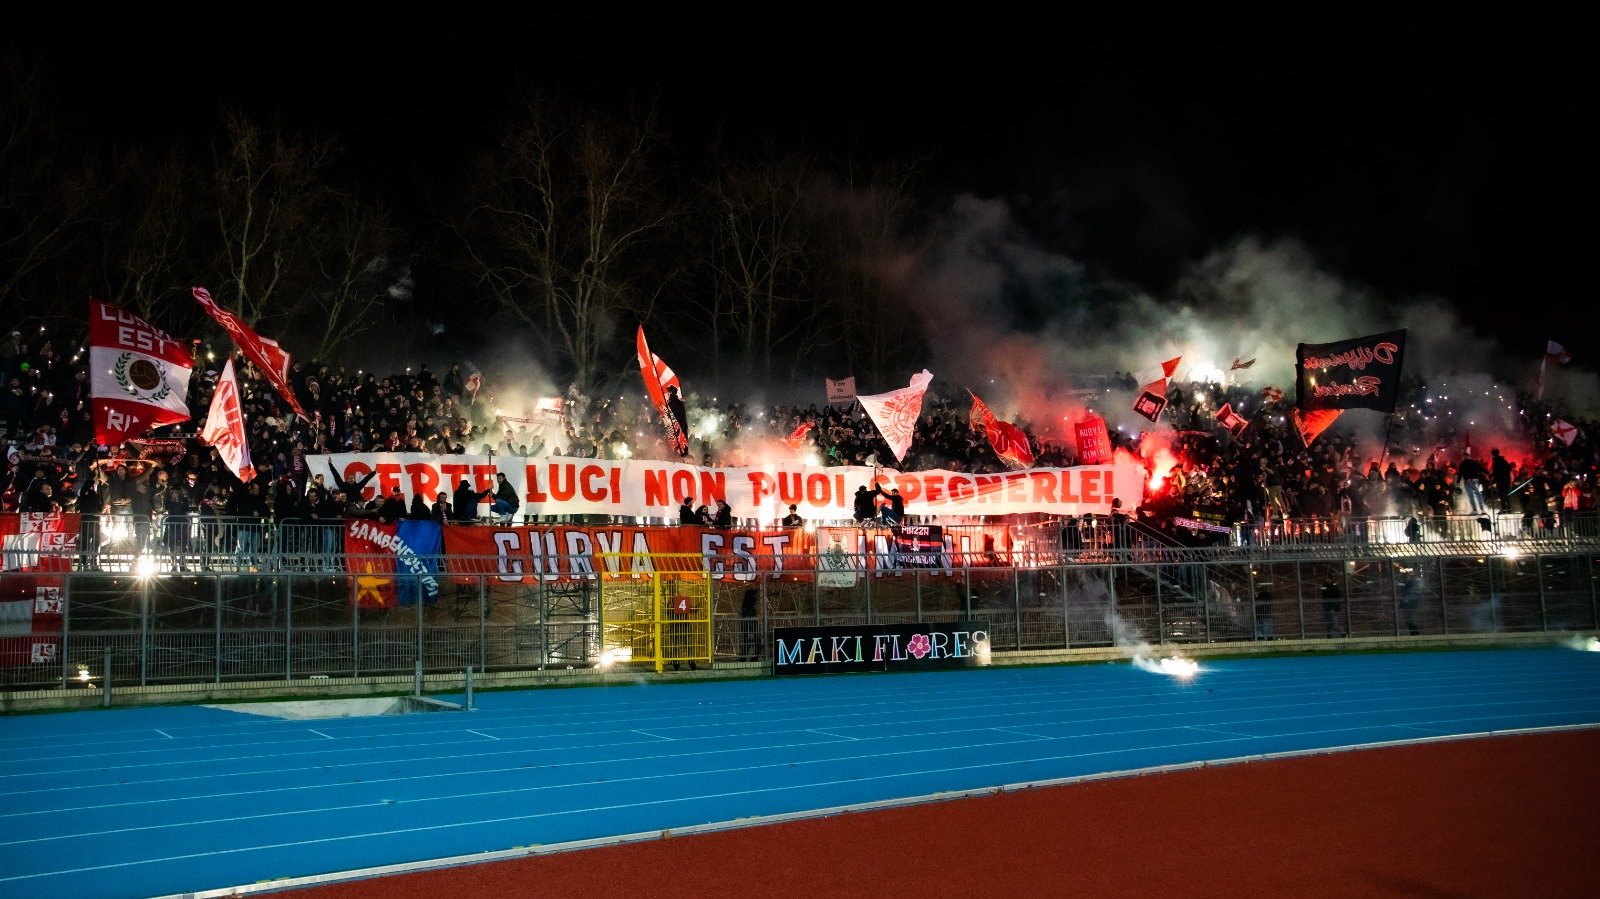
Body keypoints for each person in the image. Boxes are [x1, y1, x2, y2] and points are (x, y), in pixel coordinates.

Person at [1399, 568, 1422, 636]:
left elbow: (1408, 592)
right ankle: (1413, 632)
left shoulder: (1411, 583)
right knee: (1408, 618)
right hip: (1410, 603)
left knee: (1408, 618)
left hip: (1409, 603)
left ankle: (1414, 632)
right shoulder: (1411, 583)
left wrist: (1405, 599)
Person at [739, 587, 760, 661]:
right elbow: (750, 619)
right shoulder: (750, 608)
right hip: (751, 629)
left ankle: (743, 658)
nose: (755, 598)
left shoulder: (745, 606)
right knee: (756, 643)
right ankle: (750, 658)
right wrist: (751, 631)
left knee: (747, 643)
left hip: (748, 628)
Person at [1490, 448, 1513, 512]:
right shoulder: (1504, 460)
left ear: (1493, 454)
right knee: (1506, 495)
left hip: (1500, 480)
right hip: (1506, 480)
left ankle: (1503, 509)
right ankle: (1509, 509)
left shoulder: (1496, 460)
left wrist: (1491, 476)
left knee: (1501, 495)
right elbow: (1509, 468)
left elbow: (1496, 470)